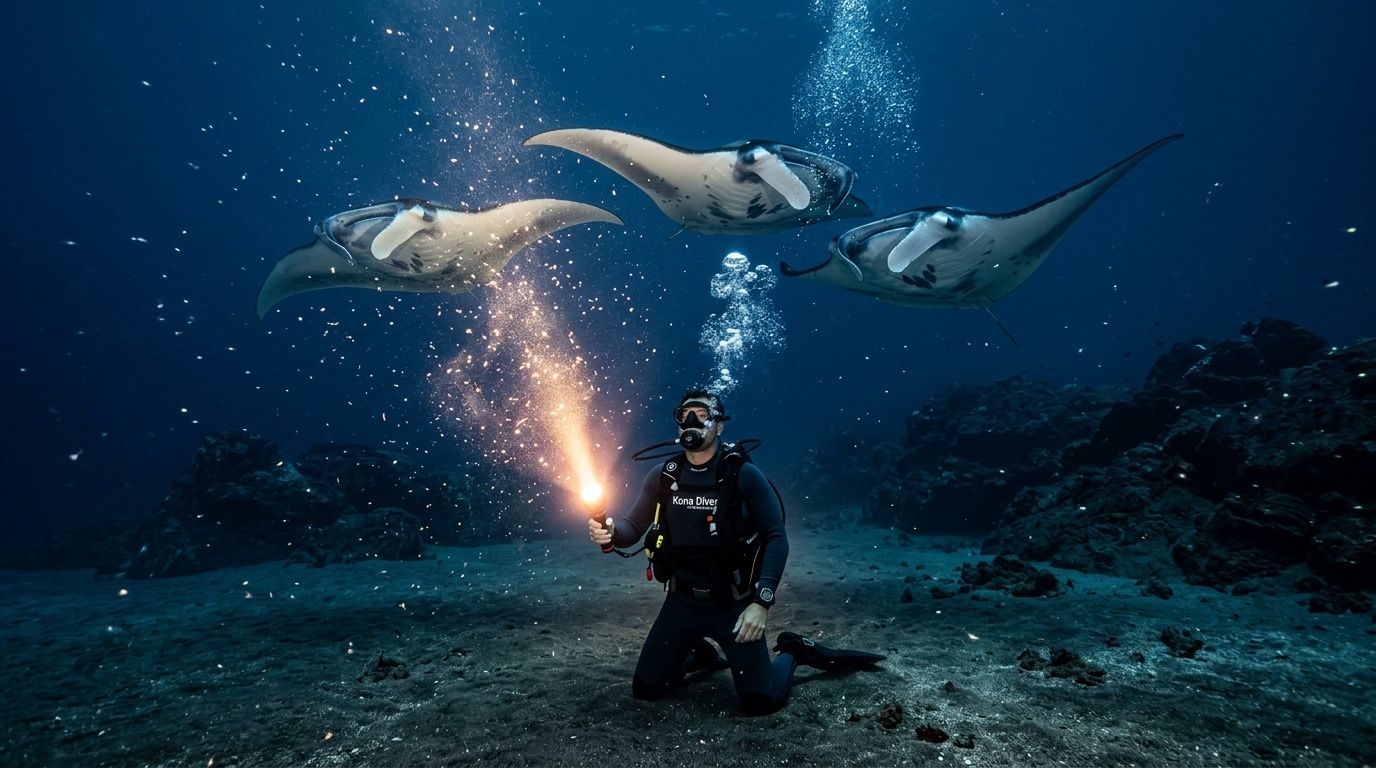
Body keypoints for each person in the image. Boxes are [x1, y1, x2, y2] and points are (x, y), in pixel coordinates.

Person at [587, 388, 883, 715]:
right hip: (680, 602)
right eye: (683, 415)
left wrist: (761, 603)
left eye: (701, 415)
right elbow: (631, 528)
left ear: (719, 426)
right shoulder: (664, 476)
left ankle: (794, 652)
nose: (690, 422)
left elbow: (776, 538)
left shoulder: (742, 474)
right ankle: (701, 656)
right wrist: (612, 531)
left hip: (734, 607)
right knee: (646, 688)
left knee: (760, 701)